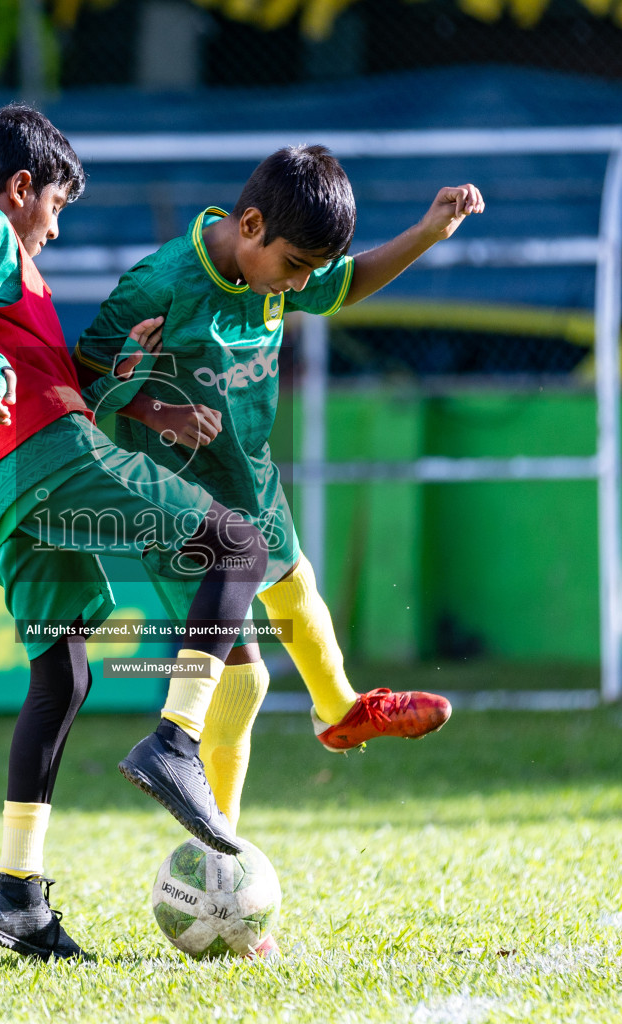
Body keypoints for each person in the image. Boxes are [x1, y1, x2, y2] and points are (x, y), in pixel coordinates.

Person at [0, 105, 270, 962]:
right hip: (41, 457)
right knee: (238, 546)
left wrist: (127, 381)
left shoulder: (16, 279)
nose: (55, 227)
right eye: (56, 206)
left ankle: (18, 898)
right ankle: (176, 741)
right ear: (21, 189)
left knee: (61, 676)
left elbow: (49, 373)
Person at [74, 145, 484, 824]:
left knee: (296, 588)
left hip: (250, 480)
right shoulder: (161, 283)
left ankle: (340, 712)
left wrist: (426, 233)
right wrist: (155, 409)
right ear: (254, 225)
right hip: (176, 501)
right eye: (295, 269)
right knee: (245, 679)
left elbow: (344, 283)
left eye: (307, 275)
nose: (298, 288)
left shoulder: (281, 271)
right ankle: (216, 848)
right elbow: (83, 377)